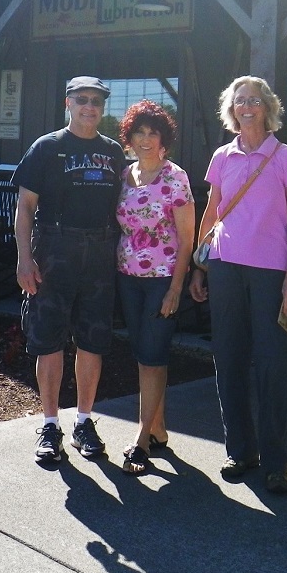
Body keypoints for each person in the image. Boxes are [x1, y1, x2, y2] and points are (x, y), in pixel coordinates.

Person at [189, 75, 287, 495]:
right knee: (230, 361)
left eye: (254, 100)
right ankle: (241, 451)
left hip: (271, 272)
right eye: (240, 101)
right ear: (232, 109)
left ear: (267, 107)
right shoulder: (222, 156)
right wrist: (199, 267)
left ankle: (276, 464)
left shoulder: (286, 156)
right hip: (224, 268)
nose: (247, 106)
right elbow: (211, 212)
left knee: (273, 366)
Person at [12, 76, 126, 464]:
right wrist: (24, 258)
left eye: (96, 101)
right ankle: (49, 425)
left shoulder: (114, 152)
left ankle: (83, 422)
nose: (89, 106)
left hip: (99, 253)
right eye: (82, 100)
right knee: (48, 340)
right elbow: (25, 208)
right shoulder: (47, 147)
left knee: (93, 340)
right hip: (53, 251)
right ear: (68, 103)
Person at [114, 100, 196, 476]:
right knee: (144, 355)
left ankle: (143, 438)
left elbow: (187, 239)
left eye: (153, 132)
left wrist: (176, 288)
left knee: (153, 355)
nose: (145, 139)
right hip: (128, 278)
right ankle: (160, 429)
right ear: (129, 138)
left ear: (164, 139)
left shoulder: (174, 177)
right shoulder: (125, 175)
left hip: (162, 279)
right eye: (139, 132)